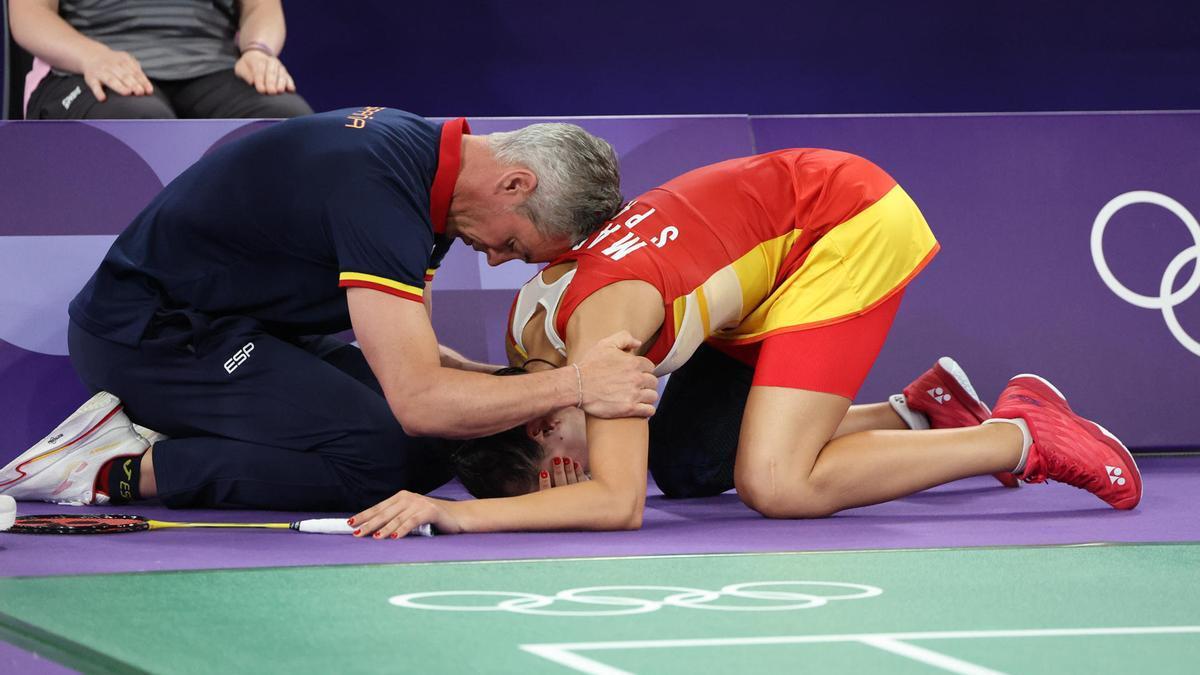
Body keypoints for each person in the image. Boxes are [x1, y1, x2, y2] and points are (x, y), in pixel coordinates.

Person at [349, 148, 1142, 538]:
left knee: (775, 481)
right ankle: (923, 414)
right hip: (753, 272)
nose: (577, 471)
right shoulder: (531, 320)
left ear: (542, 434)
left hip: (838, 222)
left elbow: (617, 503)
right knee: (692, 467)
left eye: (561, 473)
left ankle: (1021, 434)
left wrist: (448, 518)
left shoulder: (600, 335)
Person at [0, 107, 658, 512]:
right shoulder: (378, 190)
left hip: (235, 331)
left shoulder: (423, 174)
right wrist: (574, 382)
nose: (491, 258)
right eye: (512, 242)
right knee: (375, 453)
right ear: (515, 184)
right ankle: (114, 468)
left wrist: (524, 395)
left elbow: (418, 361)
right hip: (147, 337)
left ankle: (192, 433)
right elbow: (419, 398)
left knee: (441, 444)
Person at [11, 0, 312, 119]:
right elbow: (30, 15)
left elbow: (261, 8)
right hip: (86, 66)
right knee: (141, 123)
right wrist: (92, 56)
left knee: (285, 118)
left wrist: (258, 50)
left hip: (213, 65)